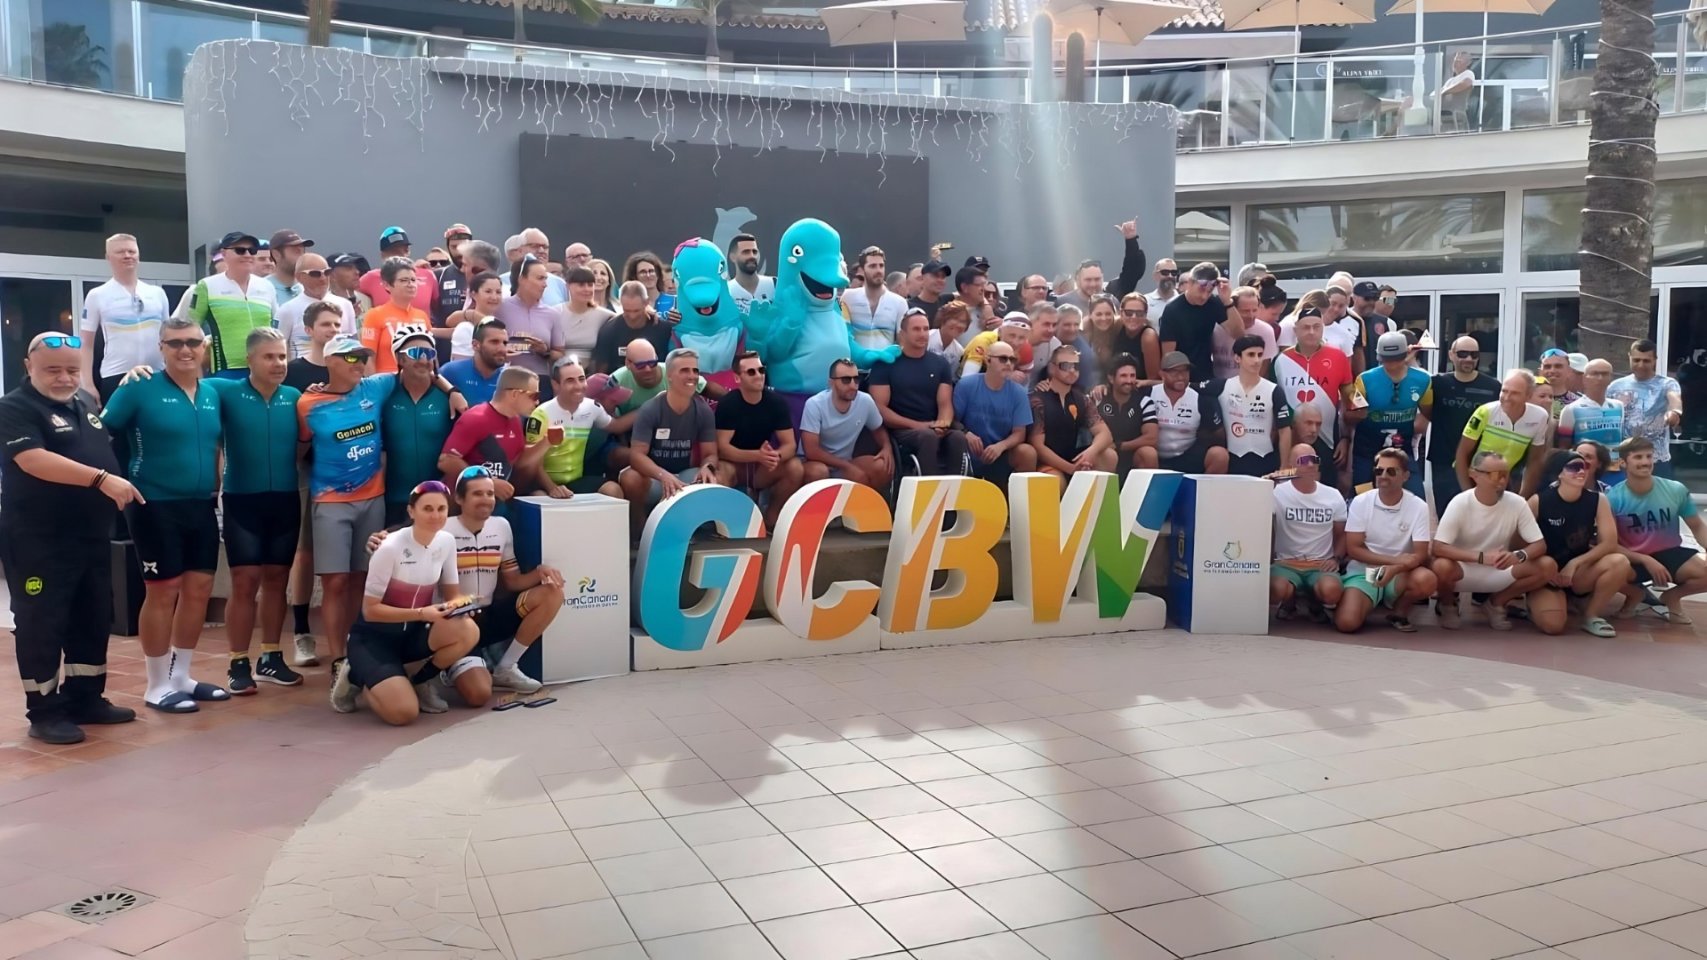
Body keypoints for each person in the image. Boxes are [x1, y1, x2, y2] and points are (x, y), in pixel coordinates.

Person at [301, 335, 466, 689]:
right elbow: (300, 448)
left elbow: (422, 369)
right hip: (344, 501)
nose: (358, 363)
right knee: (337, 582)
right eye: (349, 357)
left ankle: (379, 653)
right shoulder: (310, 401)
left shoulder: (377, 387)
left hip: (384, 499)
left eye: (361, 357)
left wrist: (450, 388)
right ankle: (341, 660)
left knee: (367, 579)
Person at [0, 332, 141, 744]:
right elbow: (33, 460)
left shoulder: (84, 404)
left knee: (92, 616)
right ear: (28, 366)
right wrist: (101, 479)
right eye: (53, 370)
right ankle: (44, 711)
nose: (64, 378)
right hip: (39, 540)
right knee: (42, 622)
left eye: (72, 370)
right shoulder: (13, 408)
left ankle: (85, 698)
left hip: (90, 536)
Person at [101, 318, 228, 712]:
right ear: (161, 349)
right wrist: (111, 482)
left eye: (192, 342)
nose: (184, 350)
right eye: (174, 344)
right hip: (153, 504)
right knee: (163, 590)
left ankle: (180, 677)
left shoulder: (212, 392)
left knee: (199, 589)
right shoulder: (139, 387)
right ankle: (155, 685)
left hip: (200, 504)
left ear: (204, 347)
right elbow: (101, 433)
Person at [330, 480, 487, 722]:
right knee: (403, 713)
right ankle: (357, 676)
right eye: (427, 509)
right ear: (411, 511)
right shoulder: (389, 547)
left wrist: (463, 606)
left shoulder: (446, 541)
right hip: (375, 640)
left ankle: (417, 680)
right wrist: (422, 613)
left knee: (468, 630)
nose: (435, 515)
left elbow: (452, 596)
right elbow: (370, 611)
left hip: (412, 636)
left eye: (441, 509)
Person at [204, 329, 304, 693]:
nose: (278, 363)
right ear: (249, 360)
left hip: (285, 499)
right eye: (269, 357)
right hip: (242, 500)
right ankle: (238, 662)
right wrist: (139, 373)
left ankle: (271, 657)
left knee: (278, 579)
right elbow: (180, 380)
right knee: (245, 581)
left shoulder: (294, 397)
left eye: (282, 356)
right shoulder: (225, 390)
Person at [445, 468, 564, 694]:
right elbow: (402, 536)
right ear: (459, 498)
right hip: (456, 623)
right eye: (477, 494)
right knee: (479, 693)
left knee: (552, 592)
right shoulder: (442, 528)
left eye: (490, 494)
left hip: (489, 616)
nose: (486, 499)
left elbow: (512, 582)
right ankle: (449, 666)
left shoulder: (501, 526)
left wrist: (540, 572)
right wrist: (379, 537)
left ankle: (506, 667)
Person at [1431, 451, 1554, 631]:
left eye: (1505, 474)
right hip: (1463, 570)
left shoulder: (1518, 503)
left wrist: (1518, 555)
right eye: (1495, 475)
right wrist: (1481, 557)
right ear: (1474, 475)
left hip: (1500, 568)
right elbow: (1438, 547)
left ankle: (1496, 604)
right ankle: (1448, 605)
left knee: (1547, 566)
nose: (1502, 480)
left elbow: (1539, 545)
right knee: (1441, 566)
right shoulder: (1460, 502)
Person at [618, 348, 721, 536]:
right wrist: (662, 475)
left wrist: (708, 466)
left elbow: (710, 454)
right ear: (670, 376)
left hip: (685, 476)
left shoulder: (702, 410)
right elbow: (636, 457)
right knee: (630, 478)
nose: (692, 376)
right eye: (685, 370)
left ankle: (698, 529)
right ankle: (639, 529)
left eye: (695, 371)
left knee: (719, 476)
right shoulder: (651, 409)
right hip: (654, 478)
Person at [1529, 449, 1630, 638]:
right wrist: (1544, 570)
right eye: (1574, 467)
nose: (1582, 471)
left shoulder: (1598, 499)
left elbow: (1609, 543)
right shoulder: (1538, 501)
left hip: (1578, 573)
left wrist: (1575, 563)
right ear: (1559, 473)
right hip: (1547, 574)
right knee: (1553, 626)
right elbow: (1519, 543)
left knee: (1619, 562)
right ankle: (1540, 602)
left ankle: (1591, 615)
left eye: (1585, 466)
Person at [1337, 448, 1437, 634]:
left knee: (1426, 580)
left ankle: (1399, 612)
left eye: (1391, 471)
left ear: (1406, 476)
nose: (1383, 475)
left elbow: (1421, 553)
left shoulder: (1419, 506)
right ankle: (1369, 599)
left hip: (1399, 573)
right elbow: (1353, 549)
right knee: (1347, 623)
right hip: (1366, 572)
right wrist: (1393, 562)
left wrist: (1394, 569)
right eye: (1379, 470)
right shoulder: (1360, 501)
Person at [1609, 437, 1707, 625]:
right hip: (1633, 557)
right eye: (1638, 457)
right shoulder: (1612, 498)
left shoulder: (1675, 490)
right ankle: (1635, 595)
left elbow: (1697, 526)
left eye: (1649, 456)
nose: (1646, 462)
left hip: (1670, 552)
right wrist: (1646, 560)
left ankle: (1672, 597)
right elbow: (1609, 544)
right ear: (1623, 463)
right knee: (1604, 572)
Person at [871, 308, 967, 477]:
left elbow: (945, 403)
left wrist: (942, 424)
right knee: (928, 437)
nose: (922, 334)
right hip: (901, 430)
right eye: (916, 329)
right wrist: (917, 425)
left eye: (925, 329)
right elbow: (879, 409)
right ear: (902, 334)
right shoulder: (885, 364)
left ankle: (954, 488)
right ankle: (928, 489)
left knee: (957, 438)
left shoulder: (940, 363)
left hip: (931, 426)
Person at [713, 351, 804, 529]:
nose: (758, 375)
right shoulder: (728, 403)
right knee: (720, 473)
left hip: (761, 468)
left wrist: (774, 456)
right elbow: (722, 448)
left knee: (795, 468)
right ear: (737, 378)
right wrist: (757, 455)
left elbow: (790, 445)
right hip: (734, 465)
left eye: (761, 370)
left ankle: (772, 517)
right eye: (751, 372)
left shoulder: (776, 402)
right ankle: (726, 523)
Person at [79, 233, 170, 400]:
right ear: (108, 257)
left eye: (132, 251)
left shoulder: (157, 293)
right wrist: (87, 384)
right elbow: (86, 344)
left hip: (157, 373)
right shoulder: (97, 295)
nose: (127, 256)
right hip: (115, 375)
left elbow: (169, 336)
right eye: (120, 252)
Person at [382, 325, 456, 525]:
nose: (424, 360)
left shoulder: (447, 399)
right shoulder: (384, 395)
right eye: (415, 353)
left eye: (429, 353)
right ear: (400, 359)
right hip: (393, 501)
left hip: (436, 501)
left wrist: (453, 391)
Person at [1347, 331, 1432, 496]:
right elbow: (1349, 416)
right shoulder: (1364, 380)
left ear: (1405, 355)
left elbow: (1428, 413)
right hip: (1367, 450)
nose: (1391, 364)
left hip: (1402, 449)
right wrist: (1360, 414)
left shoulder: (1422, 380)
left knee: (1416, 496)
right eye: (1387, 359)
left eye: (1396, 359)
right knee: (1361, 494)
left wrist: (1414, 428)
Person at [526, 359, 626, 497]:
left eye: (581, 379)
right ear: (555, 384)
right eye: (570, 381)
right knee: (539, 498)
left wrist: (646, 408)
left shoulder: (592, 407)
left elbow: (616, 426)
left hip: (576, 481)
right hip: (544, 483)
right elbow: (533, 461)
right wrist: (552, 488)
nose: (578, 386)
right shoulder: (541, 414)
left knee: (613, 490)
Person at [439, 366, 536, 508]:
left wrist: (547, 442)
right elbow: (445, 461)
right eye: (534, 396)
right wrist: (488, 482)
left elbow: (519, 460)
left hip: (493, 505)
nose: (537, 402)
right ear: (515, 394)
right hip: (461, 507)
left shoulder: (515, 420)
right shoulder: (476, 418)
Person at [1270, 443, 1346, 622]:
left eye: (1314, 460)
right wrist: (1266, 484)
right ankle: (1289, 602)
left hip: (1320, 564)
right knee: (1275, 590)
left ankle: (1314, 601)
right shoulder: (1276, 493)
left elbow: (1342, 534)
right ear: (1291, 465)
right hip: (1286, 563)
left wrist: (1336, 559)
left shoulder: (1333, 495)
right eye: (1304, 460)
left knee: (1332, 592)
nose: (1311, 465)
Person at [185, 231, 277, 378]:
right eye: (240, 250)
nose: (247, 255)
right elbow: (190, 330)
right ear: (224, 254)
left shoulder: (267, 286)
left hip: (264, 368)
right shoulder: (207, 286)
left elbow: (276, 327)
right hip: (227, 370)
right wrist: (195, 372)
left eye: (252, 250)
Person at [1427, 335, 1501, 512]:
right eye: (1462, 354)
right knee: (1446, 514)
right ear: (1451, 355)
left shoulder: (1492, 387)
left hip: (1479, 461)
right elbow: (1425, 409)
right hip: (1444, 461)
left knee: (1480, 512)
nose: (1468, 359)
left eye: (1474, 355)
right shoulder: (1437, 383)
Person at [1272, 307, 1354, 468]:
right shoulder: (1281, 360)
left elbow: (1350, 402)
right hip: (1290, 439)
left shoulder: (1338, 356)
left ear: (1323, 329)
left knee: (1324, 482)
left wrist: (1345, 438)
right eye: (1306, 327)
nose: (1311, 332)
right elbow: (1273, 404)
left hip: (1327, 439)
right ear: (1295, 330)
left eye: (1316, 327)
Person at [1204, 335, 1293, 478]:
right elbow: (1186, 387)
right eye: (1251, 355)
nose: (1257, 360)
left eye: (1260, 355)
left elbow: (1284, 430)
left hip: (1265, 461)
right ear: (1237, 358)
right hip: (1233, 461)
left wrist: (1284, 466)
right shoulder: (1222, 386)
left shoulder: (1274, 390)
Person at [953, 339, 1037, 490]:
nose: (1008, 364)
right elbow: (952, 420)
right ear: (988, 360)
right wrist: (966, 434)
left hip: (999, 453)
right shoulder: (966, 385)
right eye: (1003, 359)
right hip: (967, 450)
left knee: (1027, 452)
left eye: (1012, 360)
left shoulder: (1019, 393)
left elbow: (1019, 433)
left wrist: (1000, 446)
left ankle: (1018, 501)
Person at [1456, 368, 1550, 499]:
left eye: (1515, 393)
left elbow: (1535, 460)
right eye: (1504, 391)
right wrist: (1467, 493)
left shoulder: (1540, 416)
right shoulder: (1485, 411)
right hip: (1473, 477)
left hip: (1504, 480)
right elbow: (1462, 454)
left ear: (1528, 396)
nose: (1507, 397)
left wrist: (1523, 497)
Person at [1030, 345, 1117, 484]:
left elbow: (1105, 434)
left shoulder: (1081, 399)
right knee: (1056, 482)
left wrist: (1089, 453)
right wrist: (1070, 469)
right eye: (1065, 366)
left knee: (1109, 456)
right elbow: (1038, 447)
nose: (1072, 371)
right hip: (1047, 462)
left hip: (1073, 457)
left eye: (1075, 366)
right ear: (1052, 368)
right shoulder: (1038, 400)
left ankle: (1094, 498)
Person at [802, 359, 892, 491]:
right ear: (831, 382)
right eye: (846, 380)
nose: (853, 385)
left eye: (856, 379)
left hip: (845, 461)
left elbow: (878, 429)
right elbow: (811, 451)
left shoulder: (865, 401)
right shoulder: (815, 404)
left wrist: (886, 447)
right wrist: (847, 466)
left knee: (883, 466)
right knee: (818, 472)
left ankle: (866, 503)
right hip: (816, 463)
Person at [1139, 352, 1227, 473]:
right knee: (1147, 453)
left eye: (1185, 371)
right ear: (1162, 374)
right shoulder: (1148, 394)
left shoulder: (1200, 399)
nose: (1180, 376)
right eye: (1174, 372)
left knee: (1220, 455)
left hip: (1187, 455)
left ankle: (1202, 486)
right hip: (1155, 455)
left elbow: (1218, 434)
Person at [1608, 339, 1683, 478]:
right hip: (1624, 459)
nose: (1641, 365)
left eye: (1646, 361)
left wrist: (1674, 413)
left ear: (1655, 361)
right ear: (1629, 357)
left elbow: (1674, 399)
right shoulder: (1615, 387)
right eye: (1636, 360)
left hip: (1656, 460)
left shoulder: (1666, 384)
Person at [1159, 263, 1244, 377]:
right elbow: (1169, 355)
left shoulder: (1213, 304)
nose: (1204, 296)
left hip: (1205, 372)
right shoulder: (1172, 310)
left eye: (1209, 291)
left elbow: (1238, 334)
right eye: (1201, 290)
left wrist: (1227, 301)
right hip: (1182, 374)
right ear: (1190, 283)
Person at [276, 252, 356, 360]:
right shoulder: (287, 310)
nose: (323, 278)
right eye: (315, 274)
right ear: (299, 277)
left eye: (327, 272)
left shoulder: (345, 305)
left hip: (339, 367)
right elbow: (279, 347)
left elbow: (353, 343)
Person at [497, 257, 567, 376]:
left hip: (540, 379)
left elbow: (560, 355)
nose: (545, 285)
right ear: (522, 279)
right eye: (540, 278)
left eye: (545, 279)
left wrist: (545, 351)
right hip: (506, 378)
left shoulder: (552, 314)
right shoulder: (500, 308)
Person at [360, 257, 430, 375]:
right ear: (387, 285)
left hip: (418, 381)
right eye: (404, 280)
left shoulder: (422, 316)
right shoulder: (375, 315)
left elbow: (430, 355)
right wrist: (373, 384)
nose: (411, 284)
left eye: (413, 280)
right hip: (385, 382)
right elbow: (368, 358)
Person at [592, 281, 673, 375]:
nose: (632, 316)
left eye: (636, 311)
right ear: (620, 303)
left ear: (646, 302)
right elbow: (601, 372)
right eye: (627, 310)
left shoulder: (663, 329)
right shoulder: (609, 331)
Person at [1556, 358, 1624, 468]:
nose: (1600, 378)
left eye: (1605, 374)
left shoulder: (1619, 406)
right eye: (1595, 374)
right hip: (1584, 469)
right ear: (1584, 378)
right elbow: (1564, 447)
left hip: (1614, 469)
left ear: (1610, 378)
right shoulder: (1571, 409)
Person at [1098, 354, 1158, 476]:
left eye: (1132, 375)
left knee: (1149, 453)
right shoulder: (1098, 399)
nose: (1129, 381)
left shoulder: (1144, 402)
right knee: (1107, 454)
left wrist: (1120, 446)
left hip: (1133, 454)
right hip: (1104, 452)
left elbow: (1152, 438)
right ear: (1111, 379)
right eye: (1123, 376)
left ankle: (1145, 489)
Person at [844, 246, 908, 355]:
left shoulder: (900, 303)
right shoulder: (847, 297)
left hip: (887, 364)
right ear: (862, 270)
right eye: (872, 266)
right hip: (854, 364)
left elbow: (903, 343)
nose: (878, 270)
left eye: (881, 266)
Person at [441, 317, 509, 406]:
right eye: (494, 342)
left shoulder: (509, 380)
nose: (502, 349)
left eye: (505, 343)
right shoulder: (450, 372)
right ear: (475, 345)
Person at [442, 271, 504, 362]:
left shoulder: (501, 321)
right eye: (488, 291)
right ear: (473, 294)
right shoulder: (465, 328)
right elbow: (460, 366)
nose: (494, 297)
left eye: (498, 292)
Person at [558, 266, 612, 364]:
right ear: (568, 286)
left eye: (590, 285)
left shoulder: (605, 316)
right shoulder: (555, 312)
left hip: (591, 370)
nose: (587, 289)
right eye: (581, 285)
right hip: (560, 368)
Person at [1291, 403, 1341, 492]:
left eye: (1318, 424)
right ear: (1294, 423)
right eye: (1309, 423)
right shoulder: (1281, 449)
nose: (1314, 430)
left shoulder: (1325, 455)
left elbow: (1328, 490)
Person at [727, 234, 775, 308]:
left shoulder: (774, 285)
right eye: (746, 252)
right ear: (733, 257)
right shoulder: (726, 291)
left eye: (754, 252)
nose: (752, 256)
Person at [926, 300, 972, 370]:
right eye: (955, 318)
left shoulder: (959, 351)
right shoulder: (926, 338)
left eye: (963, 322)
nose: (959, 325)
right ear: (943, 318)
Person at [907, 260, 953, 326]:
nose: (940, 280)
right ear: (922, 278)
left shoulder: (947, 302)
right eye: (935, 276)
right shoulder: (909, 306)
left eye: (943, 277)